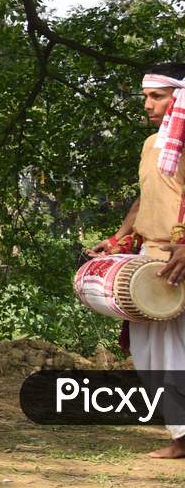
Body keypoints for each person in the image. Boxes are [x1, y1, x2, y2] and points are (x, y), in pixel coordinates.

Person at [88, 62, 185, 458]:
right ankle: (180, 435)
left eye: (157, 96)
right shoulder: (151, 144)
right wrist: (119, 238)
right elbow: (146, 198)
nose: (147, 104)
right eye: (145, 96)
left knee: (174, 349)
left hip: (177, 258)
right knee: (148, 350)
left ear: (179, 97)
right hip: (151, 257)